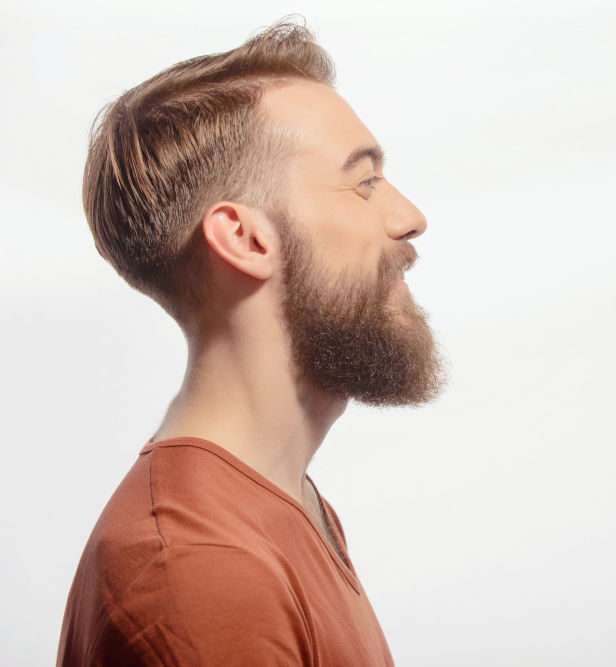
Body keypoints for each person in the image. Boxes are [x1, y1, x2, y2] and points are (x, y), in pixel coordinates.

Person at [56, 19, 446, 666]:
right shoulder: (197, 567)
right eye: (364, 181)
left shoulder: (280, 503)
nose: (408, 217)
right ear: (243, 238)